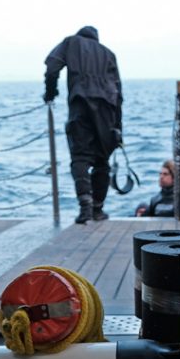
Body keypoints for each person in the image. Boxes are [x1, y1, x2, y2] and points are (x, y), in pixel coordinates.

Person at [43, 26, 122, 224]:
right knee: (102, 160)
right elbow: (119, 94)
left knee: (80, 157)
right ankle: (98, 208)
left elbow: (52, 65)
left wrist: (50, 92)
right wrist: (118, 128)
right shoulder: (109, 53)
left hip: (81, 106)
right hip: (107, 112)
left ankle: (85, 206)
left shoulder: (71, 42)